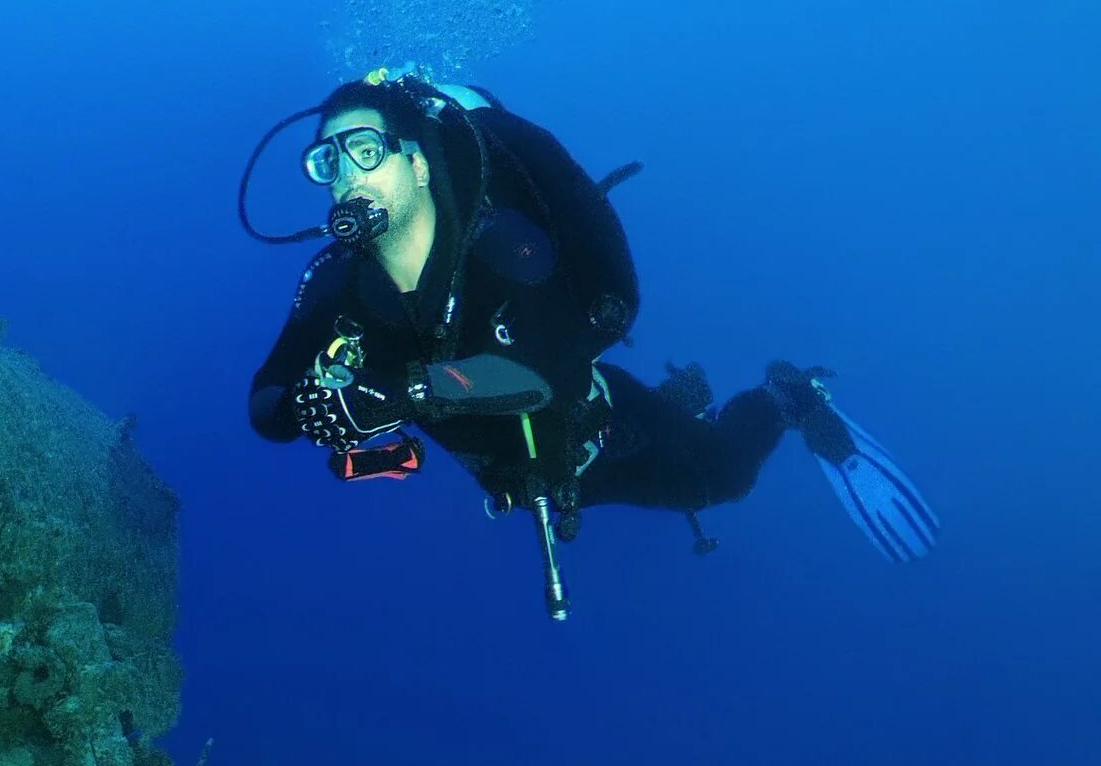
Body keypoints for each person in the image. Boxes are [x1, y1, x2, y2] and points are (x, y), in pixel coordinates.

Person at [241, 71, 936, 573]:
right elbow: (265, 404)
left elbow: (541, 371)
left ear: (418, 164)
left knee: (720, 479)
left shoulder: (500, 245)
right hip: (521, 479)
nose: (346, 174)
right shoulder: (338, 285)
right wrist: (311, 408)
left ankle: (785, 397)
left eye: (366, 149)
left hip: (596, 432)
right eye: (327, 160)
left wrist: (401, 389)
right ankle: (687, 401)